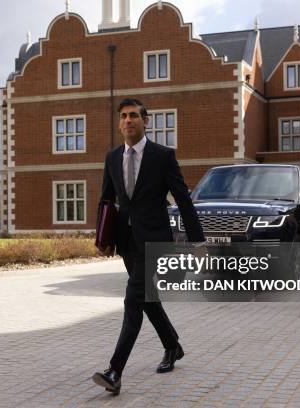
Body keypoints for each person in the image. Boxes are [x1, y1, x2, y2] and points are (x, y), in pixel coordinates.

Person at [92, 98, 205, 395]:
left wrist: (197, 240)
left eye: (134, 116)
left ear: (145, 121)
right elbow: (106, 199)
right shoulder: (112, 157)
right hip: (126, 241)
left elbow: (183, 199)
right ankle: (172, 346)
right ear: (119, 123)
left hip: (155, 241)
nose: (128, 120)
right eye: (124, 116)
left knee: (133, 300)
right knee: (146, 299)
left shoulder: (162, 156)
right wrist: (101, 237)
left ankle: (114, 371)